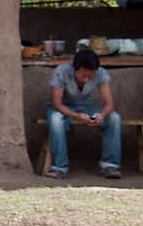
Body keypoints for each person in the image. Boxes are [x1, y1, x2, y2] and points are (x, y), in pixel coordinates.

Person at [46, 47, 122, 179]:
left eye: (90, 75)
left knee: (114, 118)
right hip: (62, 107)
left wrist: (101, 115)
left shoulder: (100, 73)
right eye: (83, 75)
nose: (86, 79)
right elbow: (57, 104)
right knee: (56, 120)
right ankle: (59, 168)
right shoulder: (61, 71)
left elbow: (109, 104)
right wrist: (77, 116)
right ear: (75, 68)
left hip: (86, 106)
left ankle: (110, 166)